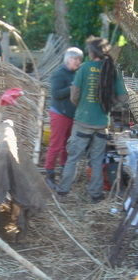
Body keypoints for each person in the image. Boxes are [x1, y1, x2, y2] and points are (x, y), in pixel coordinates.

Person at [56, 37, 128, 202]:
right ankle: (95, 195)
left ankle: (63, 192)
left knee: (73, 158)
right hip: (102, 123)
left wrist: (82, 104)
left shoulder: (84, 68)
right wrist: (108, 105)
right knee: (96, 160)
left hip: (83, 122)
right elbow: (123, 97)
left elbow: (74, 95)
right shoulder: (112, 69)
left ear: (92, 52)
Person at [44, 47, 84, 187]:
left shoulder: (76, 73)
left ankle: (64, 170)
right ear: (68, 59)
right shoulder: (59, 74)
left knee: (66, 145)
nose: (78, 62)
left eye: (80, 59)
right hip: (60, 114)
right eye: (76, 59)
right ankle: (49, 174)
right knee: (56, 145)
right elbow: (56, 94)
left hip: (71, 115)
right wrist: (72, 88)